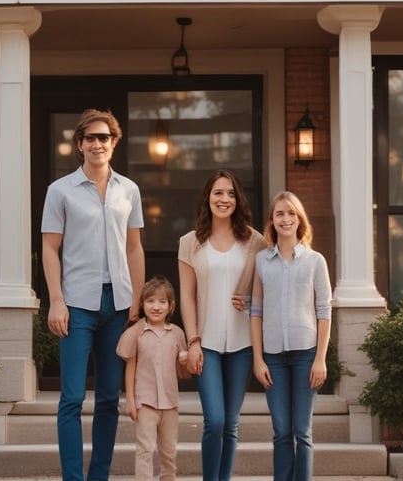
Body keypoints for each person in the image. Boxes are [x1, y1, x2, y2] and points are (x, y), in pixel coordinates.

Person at [41, 108, 145, 481]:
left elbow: (134, 248)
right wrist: (56, 299)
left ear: (114, 143)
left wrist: (137, 300)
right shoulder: (60, 191)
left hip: (118, 306)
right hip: (77, 306)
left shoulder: (129, 190)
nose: (97, 144)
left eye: (104, 137)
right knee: (71, 398)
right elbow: (50, 248)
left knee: (107, 399)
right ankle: (73, 478)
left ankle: (98, 475)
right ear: (80, 145)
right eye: (90, 138)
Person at [178, 169, 267, 481]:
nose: (224, 199)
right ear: (207, 198)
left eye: (230, 193)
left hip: (243, 344)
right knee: (214, 420)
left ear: (238, 200)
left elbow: (269, 287)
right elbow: (187, 297)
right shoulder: (189, 243)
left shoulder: (255, 242)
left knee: (230, 423)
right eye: (218, 193)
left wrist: (253, 300)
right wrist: (193, 341)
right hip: (207, 345)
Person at [250, 191, 332, 481]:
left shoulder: (315, 261)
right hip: (272, 358)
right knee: (281, 430)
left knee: (302, 430)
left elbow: (324, 312)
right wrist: (258, 360)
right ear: (272, 221)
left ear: (300, 220)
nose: (285, 219)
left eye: (291, 213)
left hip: (306, 355)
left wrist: (320, 359)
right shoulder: (262, 261)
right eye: (279, 213)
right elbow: (255, 311)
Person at [116, 276, 190, 481]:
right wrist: (130, 401)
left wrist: (185, 360)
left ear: (171, 306)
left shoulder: (177, 334)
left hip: (170, 404)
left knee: (169, 452)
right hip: (145, 402)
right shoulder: (137, 333)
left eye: (162, 302)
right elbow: (129, 365)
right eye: (150, 301)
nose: (156, 307)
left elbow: (184, 371)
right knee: (145, 450)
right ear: (142, 304)